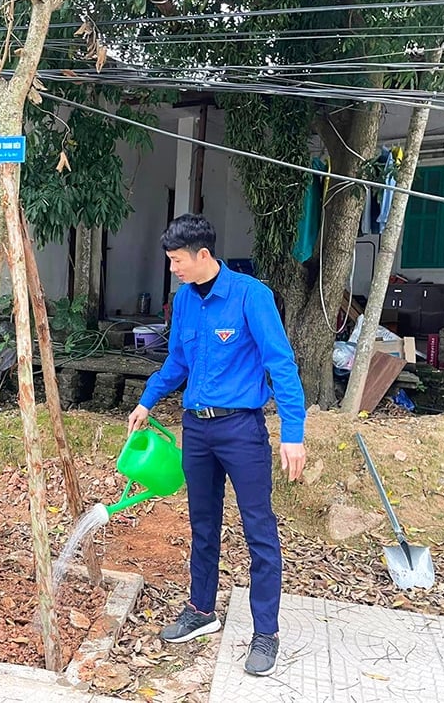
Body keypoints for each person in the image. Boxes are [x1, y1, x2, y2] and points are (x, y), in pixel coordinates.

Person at [128, 213, 306, 676]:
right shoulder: (185, 301)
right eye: (170, 261)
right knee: (202, 525)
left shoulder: (251, 296)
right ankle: (202, 611)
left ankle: (265, 632)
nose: (173, 269)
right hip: (198, 431)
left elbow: (282, 365)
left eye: (177, 261)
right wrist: (148, 401)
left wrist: (293, 434)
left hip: (241, 431)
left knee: (258, 531)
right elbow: (177, 361)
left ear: (203, 255)